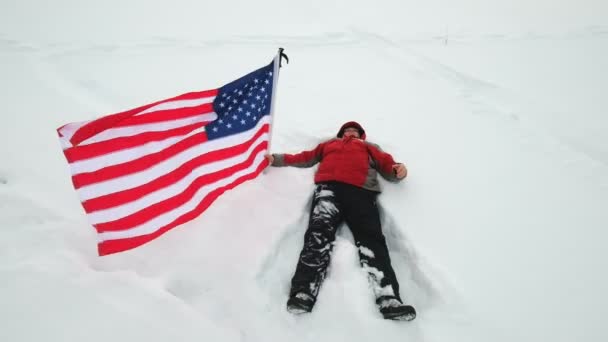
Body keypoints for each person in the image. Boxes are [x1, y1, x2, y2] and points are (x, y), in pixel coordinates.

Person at [266, 121, 416, 321]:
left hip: (361, 194)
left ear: (361, 135)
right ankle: (303, 292)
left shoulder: (368, 147)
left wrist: (398, 170)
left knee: (372, 241)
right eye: (347, 129)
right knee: (317, 236)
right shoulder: (328, 145)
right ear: (341, 133)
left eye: (355, 130)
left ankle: (388, 299)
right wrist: (276, 159)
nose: (351, 131)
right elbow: (305, 157)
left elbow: (387, 164)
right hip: (329, 190)